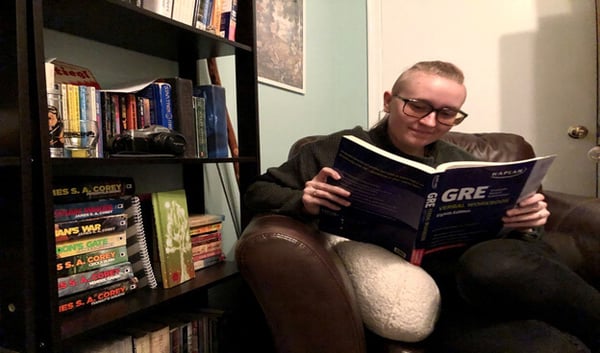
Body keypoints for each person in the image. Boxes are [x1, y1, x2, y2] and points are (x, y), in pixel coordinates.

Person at [244, 60, 600, 352]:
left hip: (496, 272)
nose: (430, 122)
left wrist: (529, 222)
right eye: (417, 106)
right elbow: (258, 191)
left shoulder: (464, 162)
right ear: (389, 100)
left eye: (447, 114)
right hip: (447, 302)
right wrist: (303, 201)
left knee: (488, 263)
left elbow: (525, 246)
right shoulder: (336, 149)